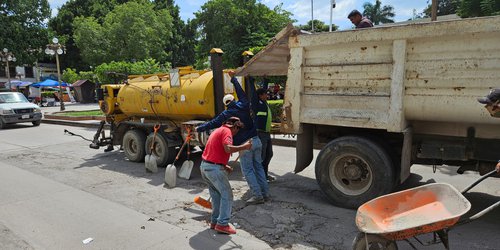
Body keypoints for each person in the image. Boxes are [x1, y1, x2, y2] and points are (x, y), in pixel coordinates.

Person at [196, 70, 269, 205]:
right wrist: (233, 79)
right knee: (258, 167)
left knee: (248, 171)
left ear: (226, 104)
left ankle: (258, 196)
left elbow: (213, 123)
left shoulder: (226, 114)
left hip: (245, 144)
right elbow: (240, 91)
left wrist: (199, 128)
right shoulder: (244, 103)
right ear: (234, 100)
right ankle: (265, 193)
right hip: (256, 140)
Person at [200, 117, 252, 234]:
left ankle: (214, 222)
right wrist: (244, 147)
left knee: (217, 195)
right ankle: (222, 224)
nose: (236, 132)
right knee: (227, 195)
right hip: (213, 169)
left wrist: (224, 165)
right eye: (237, 129)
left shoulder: (218, 130)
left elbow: (215, 150)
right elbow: (227, 148)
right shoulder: (227, 132)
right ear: (234, 126)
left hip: (206, 166)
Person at [252, 79, 275, 182]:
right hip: (260, 133)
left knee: (269, 154)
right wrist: (250, 80)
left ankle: (264, 175)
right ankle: (261, 177)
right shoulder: (256, 103)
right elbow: (253, 93)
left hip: (266, 133)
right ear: (260, 95)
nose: (267, 95)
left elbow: (262, 89)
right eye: (265, 94)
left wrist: (265, 79)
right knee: (262, 156)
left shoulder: (264, 103)